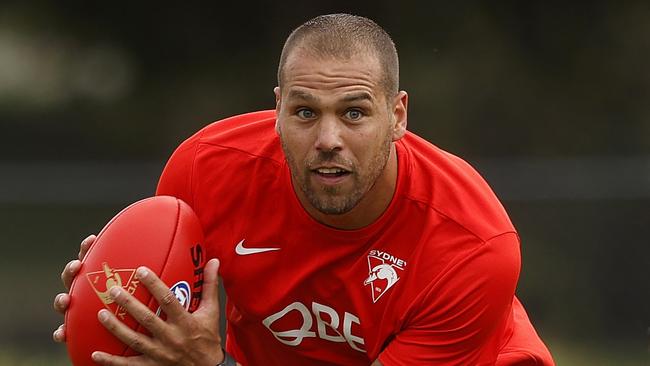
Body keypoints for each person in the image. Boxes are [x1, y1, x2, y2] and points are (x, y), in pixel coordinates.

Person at [53, 13, 554, 366]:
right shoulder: (204, 169)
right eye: (305, 112)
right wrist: (115, 299)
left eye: (354, 113)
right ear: (277, 110)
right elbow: (168, 321)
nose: (328, 140)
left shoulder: (472, 247)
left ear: (398, 116)